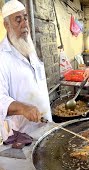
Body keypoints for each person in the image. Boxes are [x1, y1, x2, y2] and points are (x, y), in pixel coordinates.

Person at [0, 0, 52, 141]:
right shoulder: (2, 57)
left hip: (45, 126)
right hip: (22, 137)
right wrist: (23, 108)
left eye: (25, 18)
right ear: (6, 25)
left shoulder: (28, 47)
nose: (24, 24)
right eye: (18, 20)